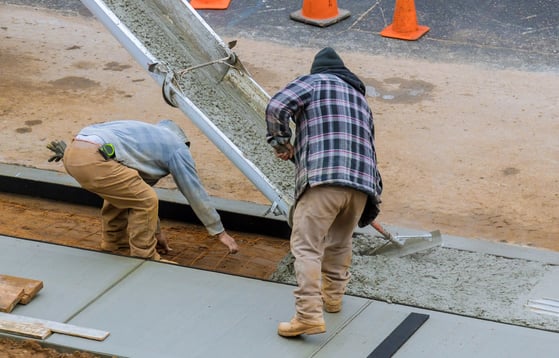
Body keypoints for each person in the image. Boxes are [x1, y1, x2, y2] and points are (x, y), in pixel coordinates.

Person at [265, 47, 382, 337]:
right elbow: (369, 147)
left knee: (306, 247)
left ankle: (307, 315)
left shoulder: (315, 82)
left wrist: (281, 143)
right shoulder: (360, 101)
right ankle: (333, 299)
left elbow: (277, 106)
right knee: (339, 243)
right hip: (360, 188)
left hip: (323, 180)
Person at [47, 119, 238, 261]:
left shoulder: (141, 136)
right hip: (95, 157)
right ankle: (144, 256)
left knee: (123, 192)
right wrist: (219, 231)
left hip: (72, 151)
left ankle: (114, 242)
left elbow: (134, 189)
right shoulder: (178, 148)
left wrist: (156, 232)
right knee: (147, 201)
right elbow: (194, 192)